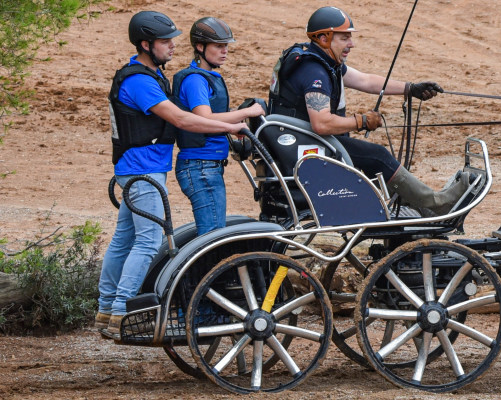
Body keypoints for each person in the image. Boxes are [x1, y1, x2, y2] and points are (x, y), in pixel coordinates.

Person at [96, 11, 247, 340]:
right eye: (165, 41)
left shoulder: (147, 76)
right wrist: (231, 125)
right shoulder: (140, 81)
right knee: (149, 242)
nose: (173, 46)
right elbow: (184, 120)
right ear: (146, 44)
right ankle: (121, 311)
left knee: (124, 241)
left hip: (138, 169)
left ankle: (107, 308)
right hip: (143, 171)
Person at [268, 6, 471, 216]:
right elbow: (322, 123)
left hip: (301, 142)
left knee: (372, 156)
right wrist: (361, 121)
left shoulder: (321, 61)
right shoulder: (313, 71)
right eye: (344, 38)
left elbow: (365, 80)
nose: (351, 44)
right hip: (308, 147)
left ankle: (418, 206)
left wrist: (410, 88)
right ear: (323, 38)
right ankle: (436, 203)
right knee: (377, 157)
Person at [172, 17, 265, 236]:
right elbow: (205, 117)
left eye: (226, 46)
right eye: (218, 46)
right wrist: (247, 113)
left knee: (212, 233)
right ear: (200, 47)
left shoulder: (205, 77)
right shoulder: (195, 80)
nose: (224, 51)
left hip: (205, 165)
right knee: (211, 237)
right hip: (201, 167)